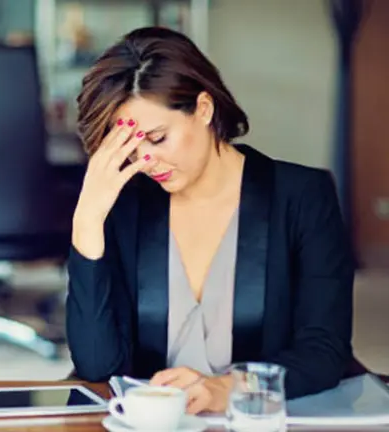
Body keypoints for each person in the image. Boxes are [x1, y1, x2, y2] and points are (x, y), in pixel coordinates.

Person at [66, 27, 354, 414]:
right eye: (133, 149)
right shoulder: (124, 205)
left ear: (204, 108)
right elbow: (97, 366)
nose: (146, 162)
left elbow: (324, 351)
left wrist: (228, 388)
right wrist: (86, 222)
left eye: (157, 137)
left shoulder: (302, 196)